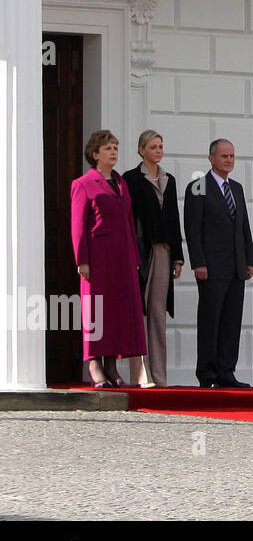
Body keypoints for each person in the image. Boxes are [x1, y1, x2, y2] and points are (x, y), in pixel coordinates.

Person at [70, 130, 149, 388]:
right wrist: (82, 260)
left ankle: (112, 365)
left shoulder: (121, 183)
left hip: (123, 259)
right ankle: (94, 363)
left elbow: (129, 222)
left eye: (115, 147)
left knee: (117, 312)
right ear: (95, 154)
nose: (113, 152)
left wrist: (135, 257)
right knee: (96, 310)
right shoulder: (82, 184)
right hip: (98, 259)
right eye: (107, 148)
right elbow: (78, 225)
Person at [184, 138, 253, 388]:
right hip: (211, 267)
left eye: (232, 156)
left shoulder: (236, 188)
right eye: (224, 156)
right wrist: (198, 262)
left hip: (235, 266)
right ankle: (207, 373)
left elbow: (243, 227)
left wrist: (249, 259)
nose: (229, 160)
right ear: (211, 158)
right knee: (210, 320)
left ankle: (227, 371)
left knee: (231, 320)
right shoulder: (198, 187)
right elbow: (192, 229)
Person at [122, 130, 183, 387]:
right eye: (153, 146)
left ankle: (159, 375)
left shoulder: (169, 179)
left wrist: (178, 257)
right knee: (140, 311)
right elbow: (129, 219)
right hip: (141, 250)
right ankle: (140, 373)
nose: (158, 150)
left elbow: (173, 218)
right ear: (141, 150)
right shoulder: (131, 179)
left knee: (158, 313)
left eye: (160, 146)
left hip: (164, 251)